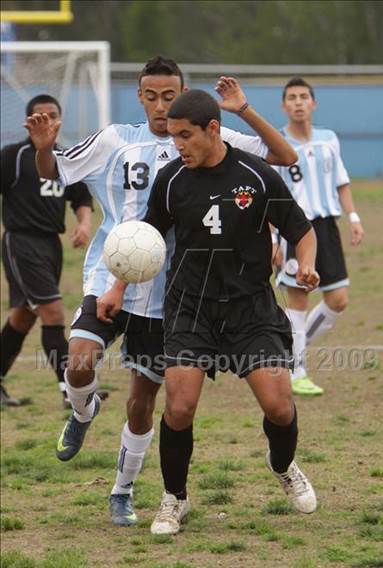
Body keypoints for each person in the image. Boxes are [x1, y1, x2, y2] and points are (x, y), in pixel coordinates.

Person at [25, 56, 298, 526]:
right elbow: (54, 175)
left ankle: (123, 491)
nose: (159, 105)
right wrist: (45, 150)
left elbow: (281, 155)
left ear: (183, 96)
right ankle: (83, 409)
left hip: (169, 291)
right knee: (79, 359)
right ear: (139, 96)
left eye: (168, 96)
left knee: (141, 403)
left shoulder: (209, 134)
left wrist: (243, 110)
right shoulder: (114, 139)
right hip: (110, 274)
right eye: (150, 96)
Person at [131, 88, 319, 535]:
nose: (176, 144)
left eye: (184, 135)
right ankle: (175, 498)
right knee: (179, 407)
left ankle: (284, 465)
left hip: (249, 306)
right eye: (173, 136)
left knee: (278, 406)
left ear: (212, 130)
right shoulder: (172, 179)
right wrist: (119, 283)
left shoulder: (254, 175)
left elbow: (301, 228)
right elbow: (145, 237)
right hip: (190, 306)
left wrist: (306, 264)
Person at [0, 94, 95, 409]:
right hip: (21, 241)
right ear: (28, 123)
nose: (46, 121)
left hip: (50, 245)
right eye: (39, 117)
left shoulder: (65, 157)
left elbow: (81, 198)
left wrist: (83, 224)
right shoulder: (13, 156)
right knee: (53, 312)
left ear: (60, 119)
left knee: (23, 317)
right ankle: (70, 390)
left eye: (52, 115)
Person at [273, 77, 364, 396]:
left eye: (303, 97)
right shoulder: (277, 144)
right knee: (298, 300)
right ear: (283, 106)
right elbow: (272, 196)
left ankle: (289, 348)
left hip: (327, 227)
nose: (298, 102)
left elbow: (342, 181)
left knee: (338, 299)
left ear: (313, 103)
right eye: (292, 98)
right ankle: (296, 372)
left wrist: (353, 216)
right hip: (295, 230)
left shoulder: (329, 139)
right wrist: (273, 239)